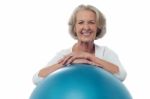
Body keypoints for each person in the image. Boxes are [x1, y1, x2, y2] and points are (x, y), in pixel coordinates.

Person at [33, 4, 127, 85]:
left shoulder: (105, 53)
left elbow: (121, 75)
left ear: (98, 27)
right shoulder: (65, 55)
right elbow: (36, 79)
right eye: (81, 22)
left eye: (91, 22)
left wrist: (89, 57)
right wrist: (68, 64)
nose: (86, 27)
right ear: (74, 28)